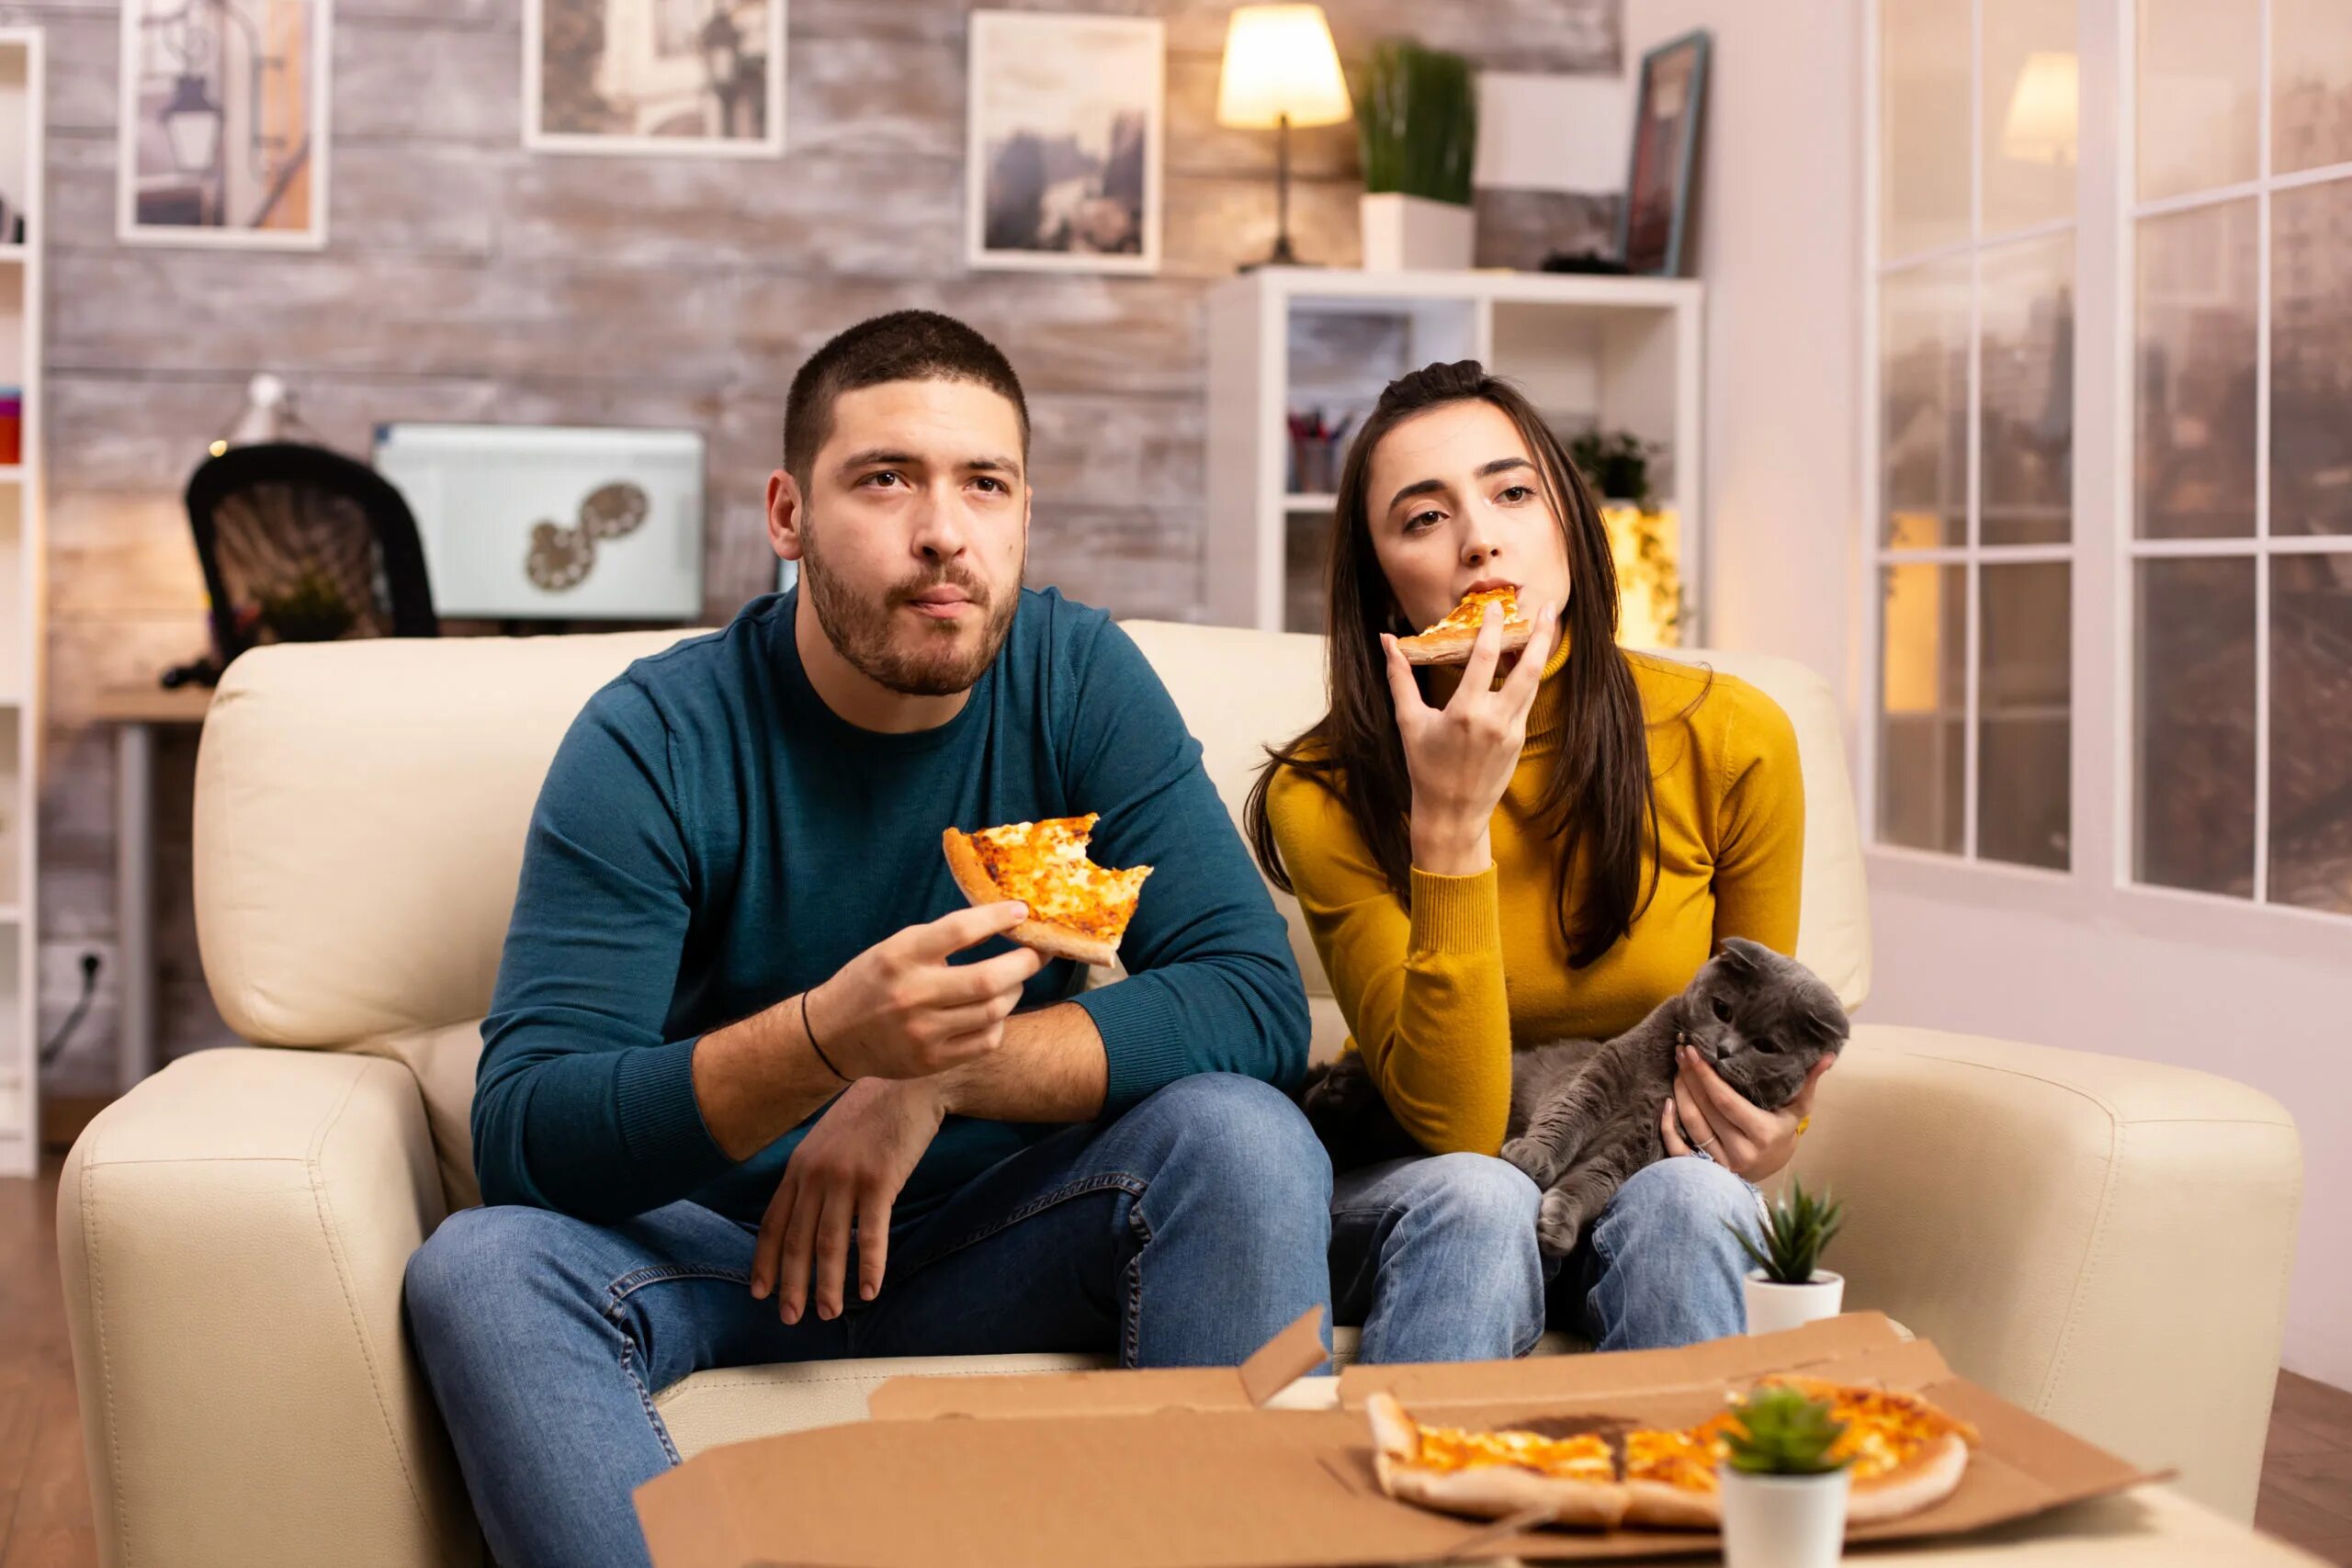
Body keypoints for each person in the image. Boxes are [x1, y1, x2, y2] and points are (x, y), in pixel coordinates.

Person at [403, 310, 1328, 1568]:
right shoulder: (657, 736)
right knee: (483, 1265)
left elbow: (1254, 1000)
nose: (943, 529)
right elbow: (527, 1127)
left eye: (984, 484)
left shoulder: (1075, 675)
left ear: (1022, 513)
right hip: (728, 1254)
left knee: (1246, 1137)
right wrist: (823, 1039)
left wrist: (929, 1073)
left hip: (1007, 1230)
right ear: (787, 514)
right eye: (886, 478)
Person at [1246, 358, 1826, 1363]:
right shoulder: (1321, 790)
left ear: (1567, 521)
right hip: (1416, 1177)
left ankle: (1676, 1514)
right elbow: (1460, 1128)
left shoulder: (1731, 737)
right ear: (1385, 584)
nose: (1480, 538)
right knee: (1482, 1194)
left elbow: (1758, 1039)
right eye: (1422, 519)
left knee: (1694, 1197)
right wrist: (1450, 823)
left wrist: (1776, 1132)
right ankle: (1420, 1510)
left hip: (1636, 1170)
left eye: (1512, 492)